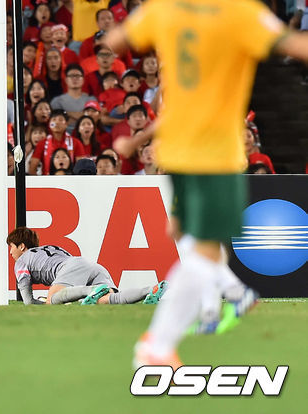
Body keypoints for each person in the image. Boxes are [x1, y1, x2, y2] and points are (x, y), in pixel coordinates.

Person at [107, 0, 308, 369]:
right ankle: (161, 343)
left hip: (177, 153)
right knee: (203, 252)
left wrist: (135, 142)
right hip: (216, 153)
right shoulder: (239, 13)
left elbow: (114, 40)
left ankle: (228, 295)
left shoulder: (164, 9)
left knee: (187, 236)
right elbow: (296, 46)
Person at [7, 227, 167, 305]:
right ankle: (151, 290)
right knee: (106, 300)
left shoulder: (21, 261)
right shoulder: (48, 249)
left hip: (70, 267)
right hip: (89, 265)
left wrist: (43, 301)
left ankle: (92, 290)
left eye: (11, 247)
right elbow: (73, 267)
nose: (10, 252)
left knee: (53, 299)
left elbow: (28, 301)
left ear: (21, 246)